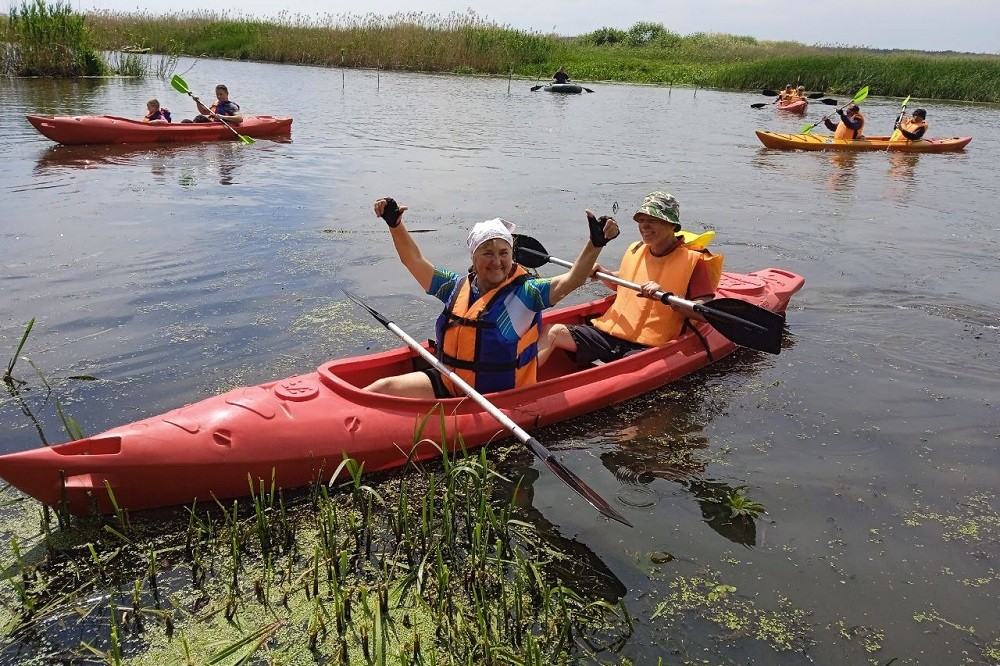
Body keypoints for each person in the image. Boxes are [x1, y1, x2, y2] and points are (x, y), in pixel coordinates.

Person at [364, 197, 619, 399]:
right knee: (381, 387)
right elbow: (414, 261)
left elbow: (571, 280)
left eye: (503, 253)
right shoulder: (454, 287)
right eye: (487, 253)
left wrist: (595, 244)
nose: (496, 261)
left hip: (500, 397)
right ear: (473, 258)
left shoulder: (527, 294)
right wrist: (395, 226)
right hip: (451, 383)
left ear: (512, 256)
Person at [537, 191, 717, 367]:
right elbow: (624, 283)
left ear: (672, 225)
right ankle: (518, 383)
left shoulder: (694, 261)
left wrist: (668, 298)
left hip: (648, 346)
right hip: (609, 334)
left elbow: (706, 313)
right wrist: (604, 274)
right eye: (641, 220)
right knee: (552, 331)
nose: (644, 226)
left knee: (625, 367)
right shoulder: (636, 249)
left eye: (652, 220)